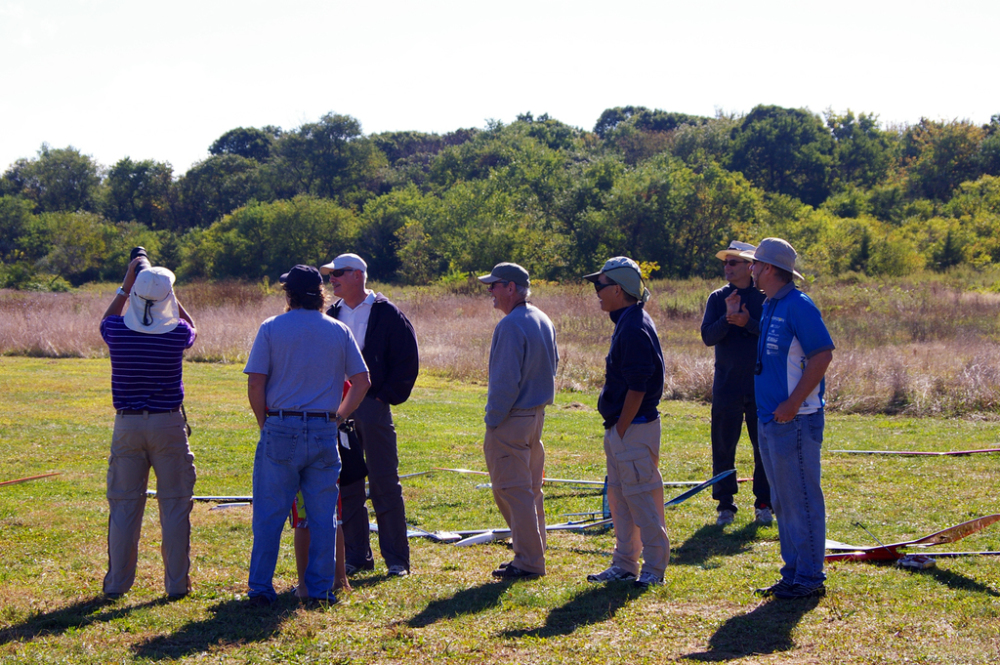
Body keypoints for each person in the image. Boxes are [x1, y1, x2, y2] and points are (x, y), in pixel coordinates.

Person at [244, 265, 370, 606]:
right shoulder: (339, 330)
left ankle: (260, 588)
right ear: (321, 293)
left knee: (269, 514)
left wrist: (264, 422)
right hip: (322, 429)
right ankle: (320, 589)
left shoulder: (271, 328)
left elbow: (256, 382)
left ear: (289, 294)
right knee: (323, 514)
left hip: (280, 425)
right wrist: (339, 416)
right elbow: (362, 381)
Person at [741, 239, 834, 600]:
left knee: (802, 499)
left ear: (767, 268)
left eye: (755, 265)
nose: (751, 270)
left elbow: (822, 355)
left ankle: (810, 578)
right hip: (771, 419)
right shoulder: (770, 305)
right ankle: (793, 573)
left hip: (796, 421)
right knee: (781, 500)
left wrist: (794, 403)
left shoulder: (799, 305)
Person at [100, 258, 197, 600]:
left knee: (125, 506)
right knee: (173, 505)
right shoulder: (176, 334)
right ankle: (175, 585)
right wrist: (169, 294)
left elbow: (107, 319)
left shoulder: (117, 331)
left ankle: (116, 584)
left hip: (127, 423)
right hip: (168, 423)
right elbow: (191, 326)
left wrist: (128, 284)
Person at [321, 253, 419, 577]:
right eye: (330, 275)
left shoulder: (387, 313)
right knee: (347, 484)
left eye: (338, 273)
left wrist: (381, 397)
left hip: (373, 409)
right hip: (339, 411)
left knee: (384, 483)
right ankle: (356, 557)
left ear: (359, 275)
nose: (332, 279)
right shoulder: (331, 314)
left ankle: (396, 561)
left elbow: (407, 361)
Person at [583, 257, 669, 588]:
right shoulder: (628, 321)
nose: (597, 293)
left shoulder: (633, 327)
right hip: (624, 429)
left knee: (643, 499)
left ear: (618, 290)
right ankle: (624, 563)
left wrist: (621, 430)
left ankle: (654, 569)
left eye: (600, 286)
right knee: (621, 500)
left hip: (633, 428)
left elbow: (639, 385)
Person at [477, 263, 559, 579]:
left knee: (511, 490)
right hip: (535, 416)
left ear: (511, 288)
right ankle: (533, 550)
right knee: (529, 489)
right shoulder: (542, 319)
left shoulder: (511, 325)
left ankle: (528, 560)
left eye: (494, 285)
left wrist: (493, 421)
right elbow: (553, 365)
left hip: (511, 418)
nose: (490, 291)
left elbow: (505, 381)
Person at [701, 241, 772, 526]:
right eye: (725, 263)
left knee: (763, 447)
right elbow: (708, 336)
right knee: (723, 445)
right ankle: (725, 505)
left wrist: (748, 323)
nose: (727, 268)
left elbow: (773, 337)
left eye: (734, 263)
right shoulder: (718, 298)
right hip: (726, 385)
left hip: (760, 385)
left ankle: (764, 503)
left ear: (750, 267)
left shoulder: (766, 297)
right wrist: (728, 319)